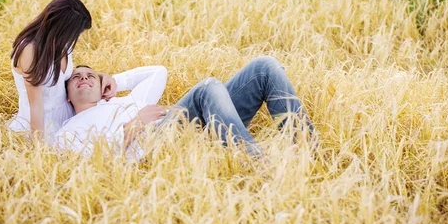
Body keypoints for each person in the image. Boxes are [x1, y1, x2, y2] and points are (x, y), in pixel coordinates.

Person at [55, 56, 316, 159]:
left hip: (188, 127)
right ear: (67, 96)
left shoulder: (122, 100)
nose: (84, 78)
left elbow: (158, 72)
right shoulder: (69, 130)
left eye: (91, 75)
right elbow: (93, 164)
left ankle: (310, 153)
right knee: (208, 88)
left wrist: (116, 81)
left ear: (102, 87)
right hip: (154, 147)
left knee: (264, 67)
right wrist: (134, 124)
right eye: (76, 77)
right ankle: (260, 165)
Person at [8, 0, 117, 144]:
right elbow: (36, 104)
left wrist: (101, 77)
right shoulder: (30, 50)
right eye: (75, 34)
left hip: (67, 114)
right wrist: (37, 147)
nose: (76, 38)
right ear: (62, 29)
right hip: (41, 122)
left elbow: (60, 79)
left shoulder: (62, 44)